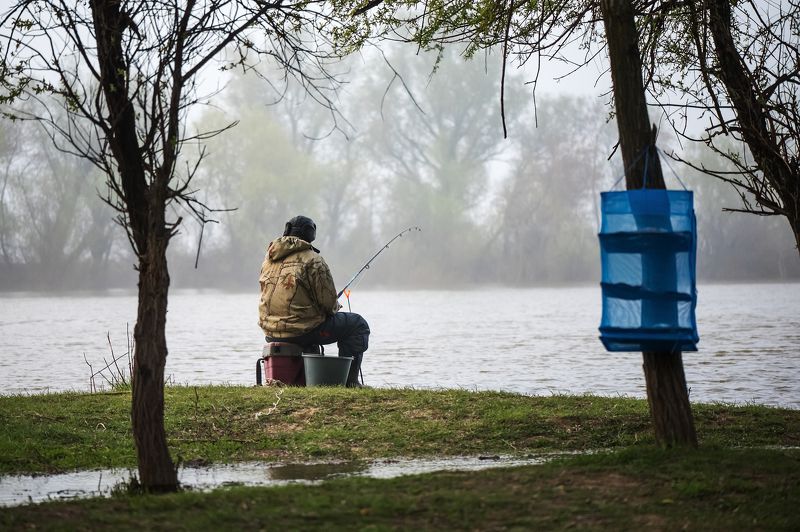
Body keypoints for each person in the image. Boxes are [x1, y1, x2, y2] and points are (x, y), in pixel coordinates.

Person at [258, 215, 370, 387]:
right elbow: (328, 304)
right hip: (302, 332)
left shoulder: (269, 260)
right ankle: (350, 383)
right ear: (310, 234)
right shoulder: (313, 260)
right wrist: (335, 306)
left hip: (270, 332)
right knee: (358, 325)